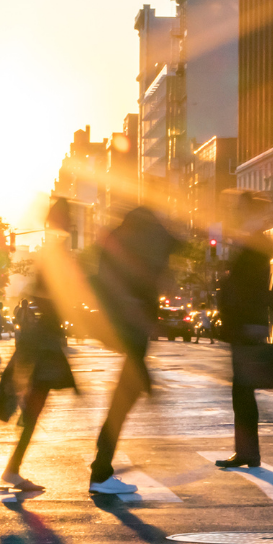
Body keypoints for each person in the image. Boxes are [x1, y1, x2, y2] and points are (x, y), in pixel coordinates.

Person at [88, 206, 179, 495]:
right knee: (122, 400)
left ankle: (102, 468)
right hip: (132, 332)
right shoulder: (137, 251)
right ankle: (101, 471)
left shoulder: (121, 243)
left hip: (128, 332)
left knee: (123, 398)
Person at [0, 198, 79, 492]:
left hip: (43, 341)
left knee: (33, 406)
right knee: (33, 406)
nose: (72, 222)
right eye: (68, 217)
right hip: (43, 343)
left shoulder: (54, 252)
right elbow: (51, 296)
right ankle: (12, 469)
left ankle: (13, 468)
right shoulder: (57, 253)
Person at [215, 191, 273, 469]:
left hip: (247, 325)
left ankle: (248, 451)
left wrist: (253, 322)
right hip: (245, 324)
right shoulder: (251, 242)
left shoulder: (256, 244)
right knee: (243, 390)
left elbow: (254, 289)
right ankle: (247, 451)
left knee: (243, 389)